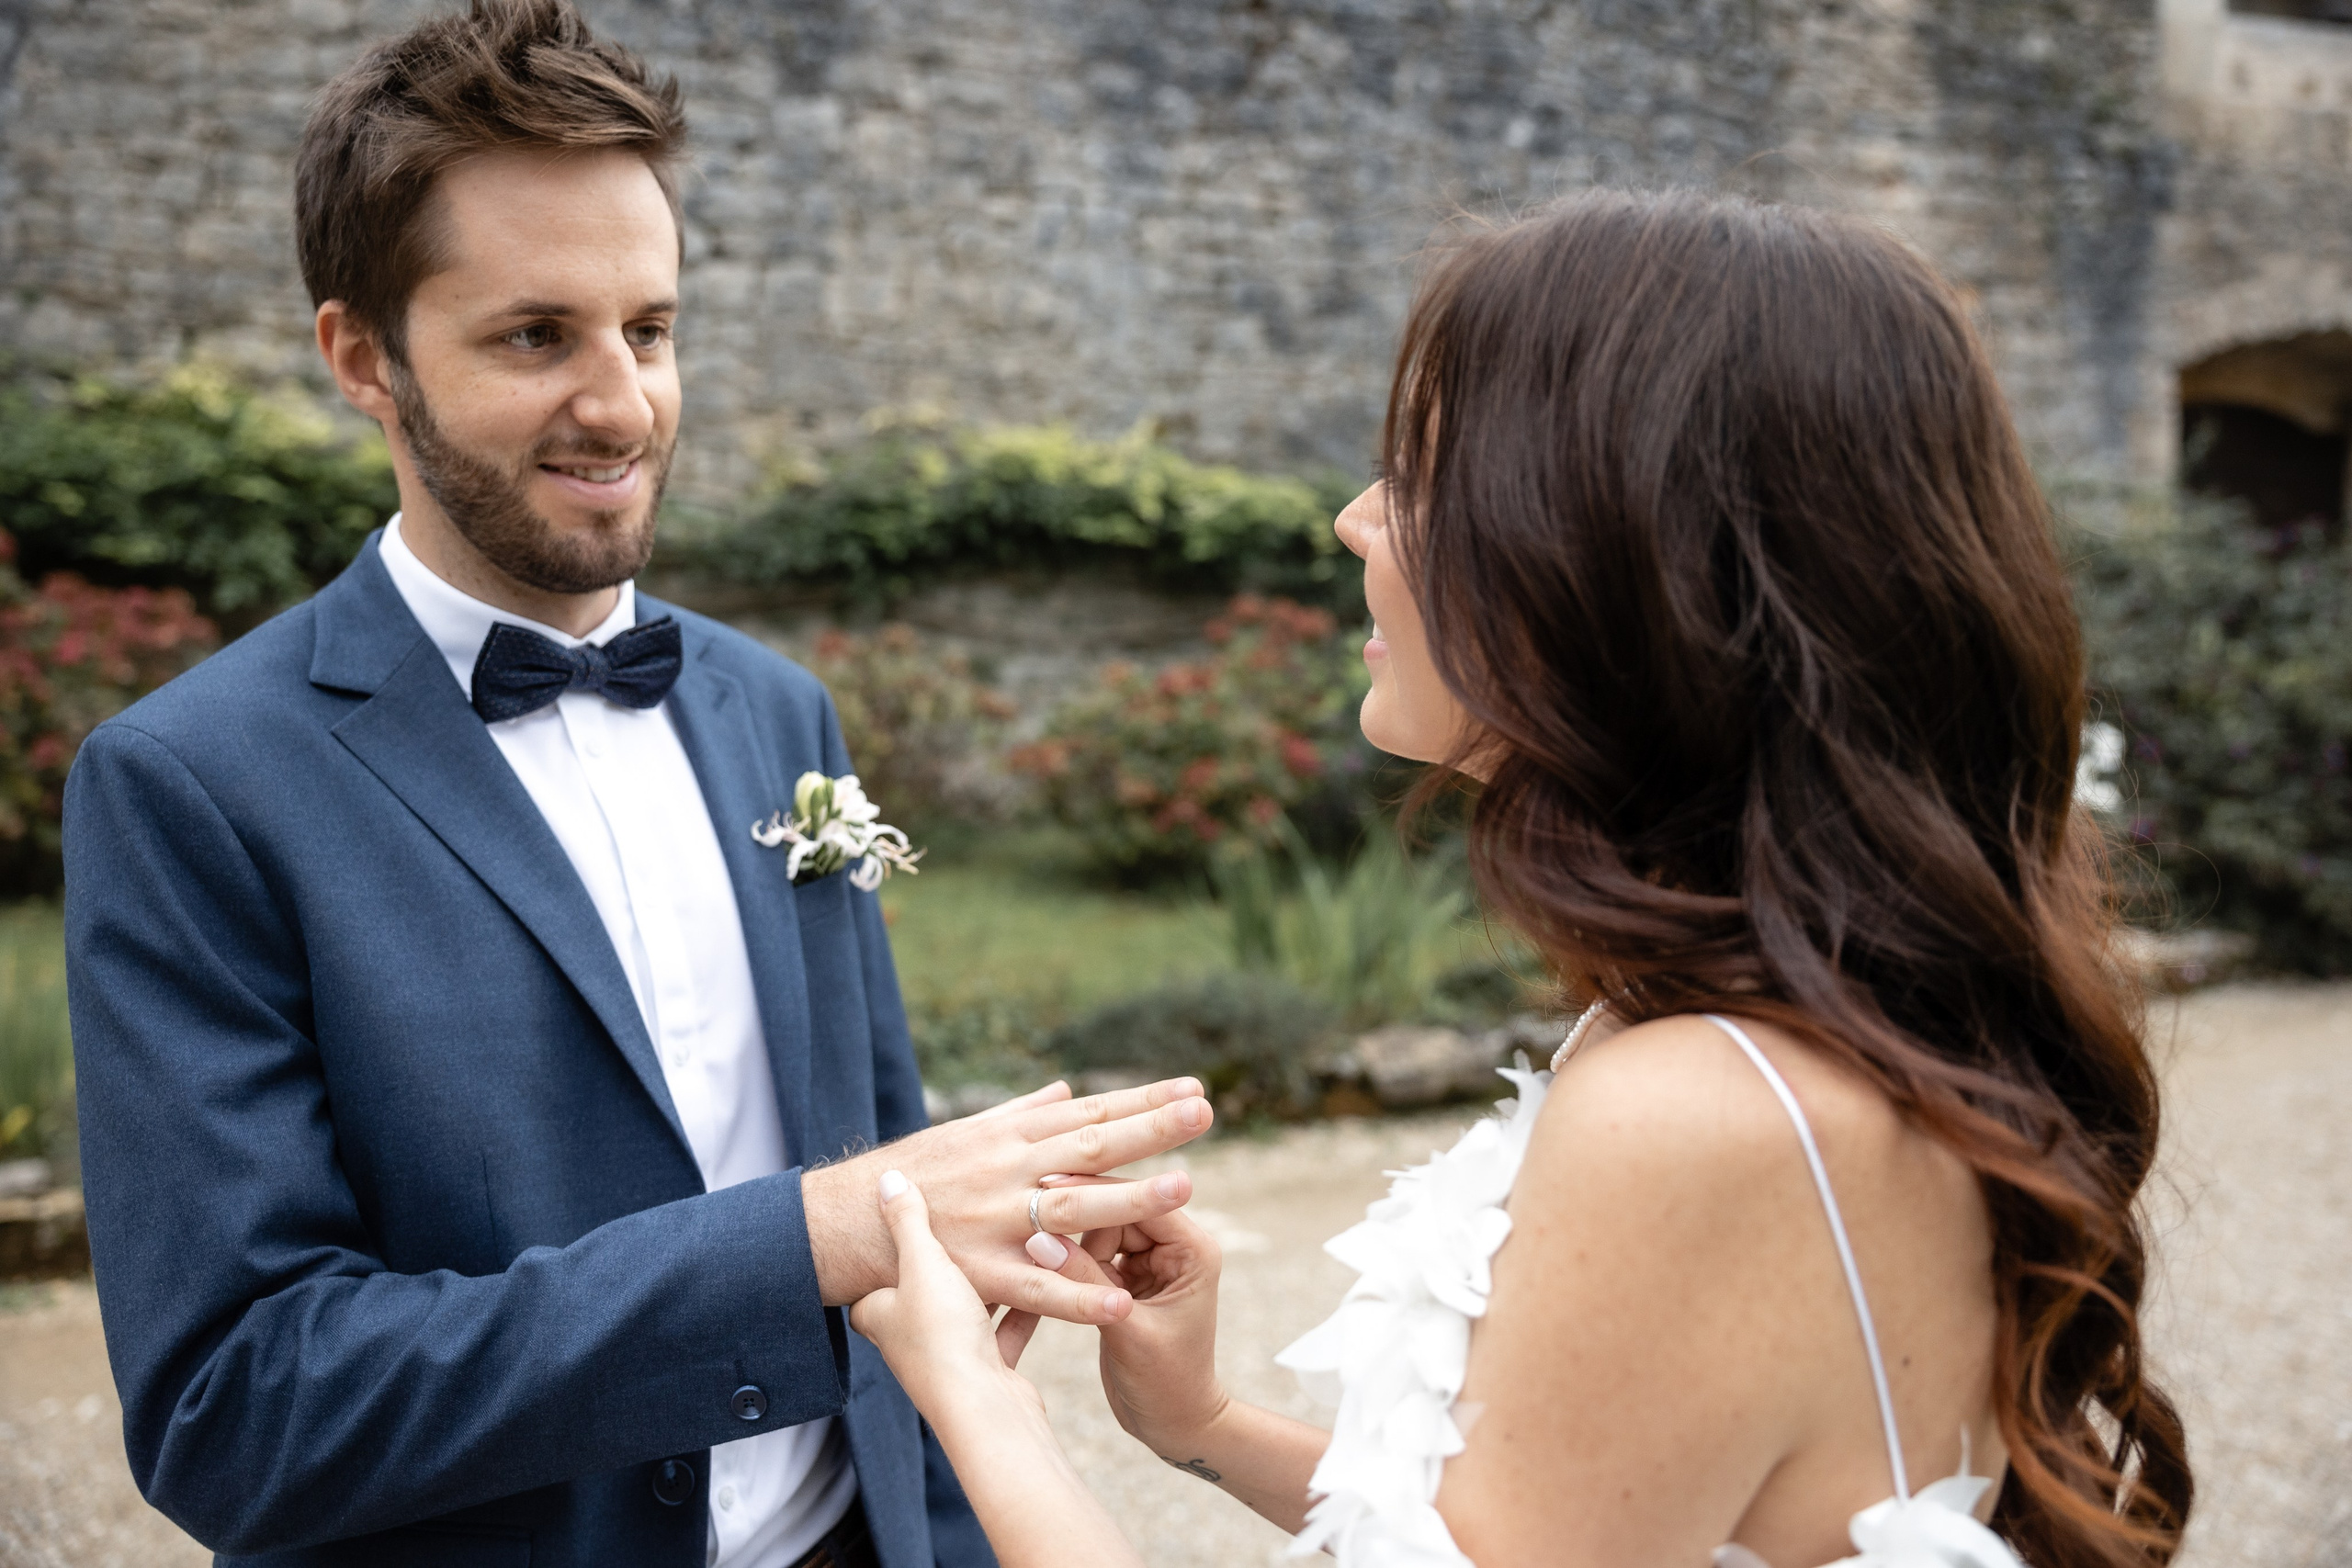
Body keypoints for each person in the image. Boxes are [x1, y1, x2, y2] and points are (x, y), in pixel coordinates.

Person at [846, 190, 2197, 1568]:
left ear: (1625, 560)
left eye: (1424, 473)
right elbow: (1552, 1518)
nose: (1354, 520)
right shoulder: (1789, 1031)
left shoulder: (1697, 1113)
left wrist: (971, 1397)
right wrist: (1199, 1422)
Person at [59, 4, 1212, 1565]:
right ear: (362, 359)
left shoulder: (779, 711)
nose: (624, 405)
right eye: (537, 337)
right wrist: (805, 1240)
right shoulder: (191, 784)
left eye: (649, 330)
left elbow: (900, 1228)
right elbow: (239, 1411)